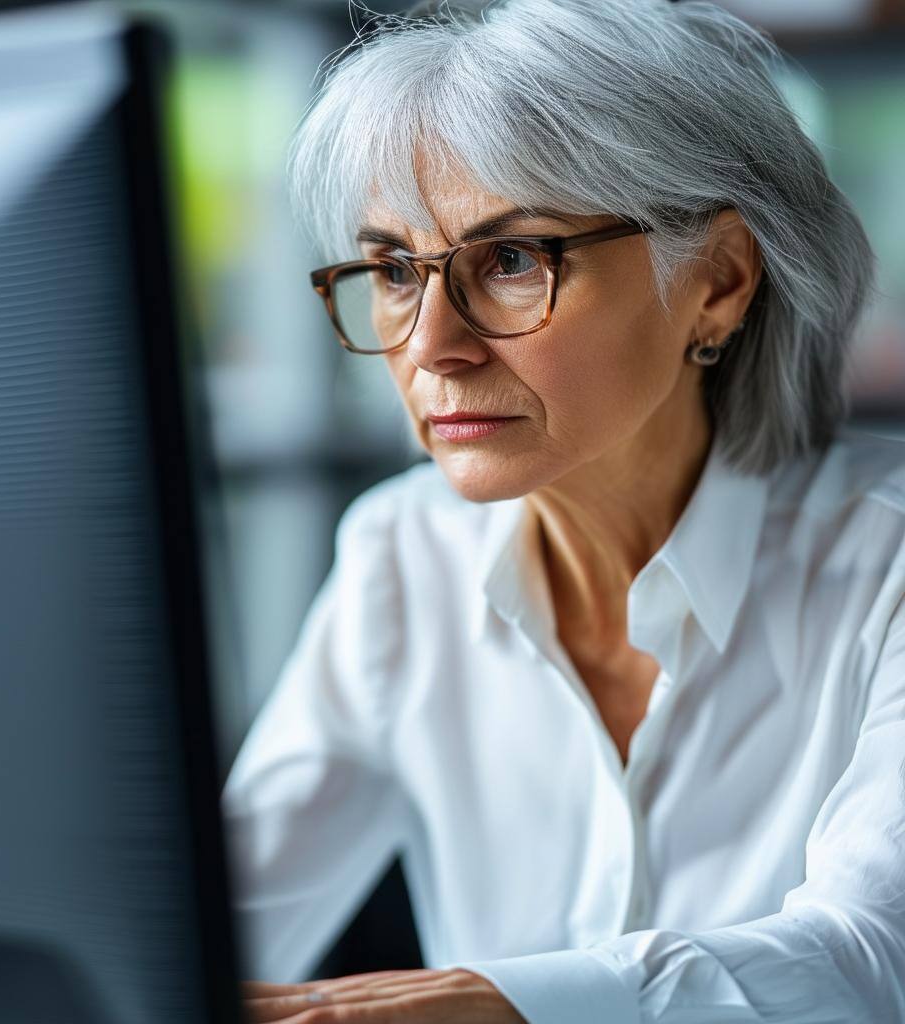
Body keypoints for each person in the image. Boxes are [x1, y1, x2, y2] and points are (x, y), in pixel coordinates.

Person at [223, 0, 905, 1020]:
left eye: (511, 260)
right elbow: (208, 919)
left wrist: (477, 1001)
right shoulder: (402, 552)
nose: (431, 346)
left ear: (717, 281)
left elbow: (868, 958)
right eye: (397, 270)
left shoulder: (886, 562)